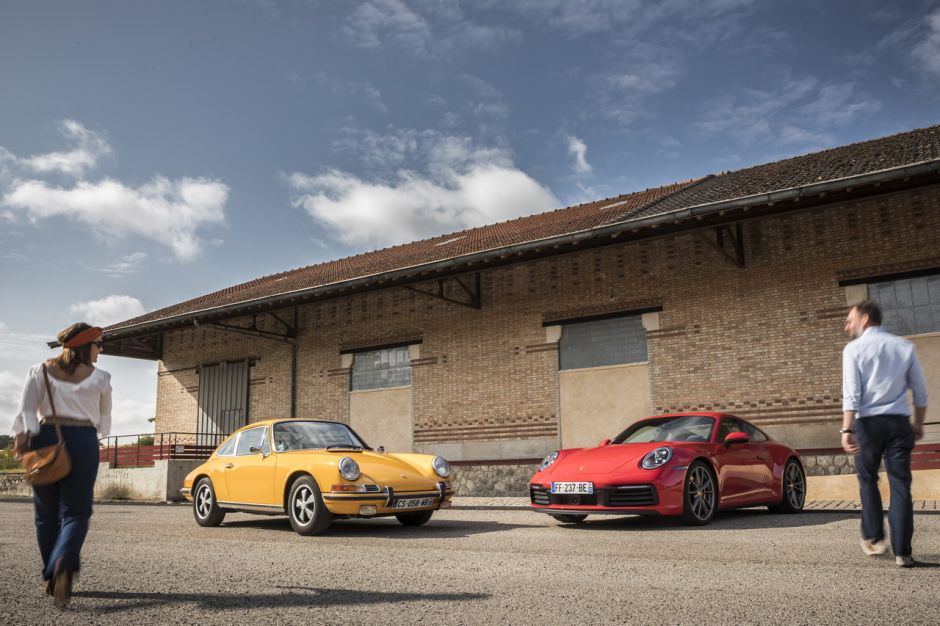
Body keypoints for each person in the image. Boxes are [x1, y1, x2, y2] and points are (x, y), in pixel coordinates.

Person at [12, 323, 112, 606]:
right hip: (83, 441)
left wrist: (23, 440)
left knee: (45, 515)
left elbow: (26, 411)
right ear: (85, 345)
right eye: (98, 344)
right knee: (76, 513)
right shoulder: (102, 378)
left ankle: (53, 573)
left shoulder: (39, 371)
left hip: (45, 439)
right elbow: (104, 423)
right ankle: (63, 562)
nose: (101, 350)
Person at [841, 300, 928, 567]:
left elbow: (852, 394)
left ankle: (875, 538)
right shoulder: (904, 346)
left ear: (865, 319)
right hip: (899, 423)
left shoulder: (853, 350)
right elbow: (921, 392)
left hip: (868, 425)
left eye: (850, 320)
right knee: (900, 483)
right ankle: (903, 552)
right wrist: (918, 424)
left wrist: (847, 429)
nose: (847, 326)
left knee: (868, 478)